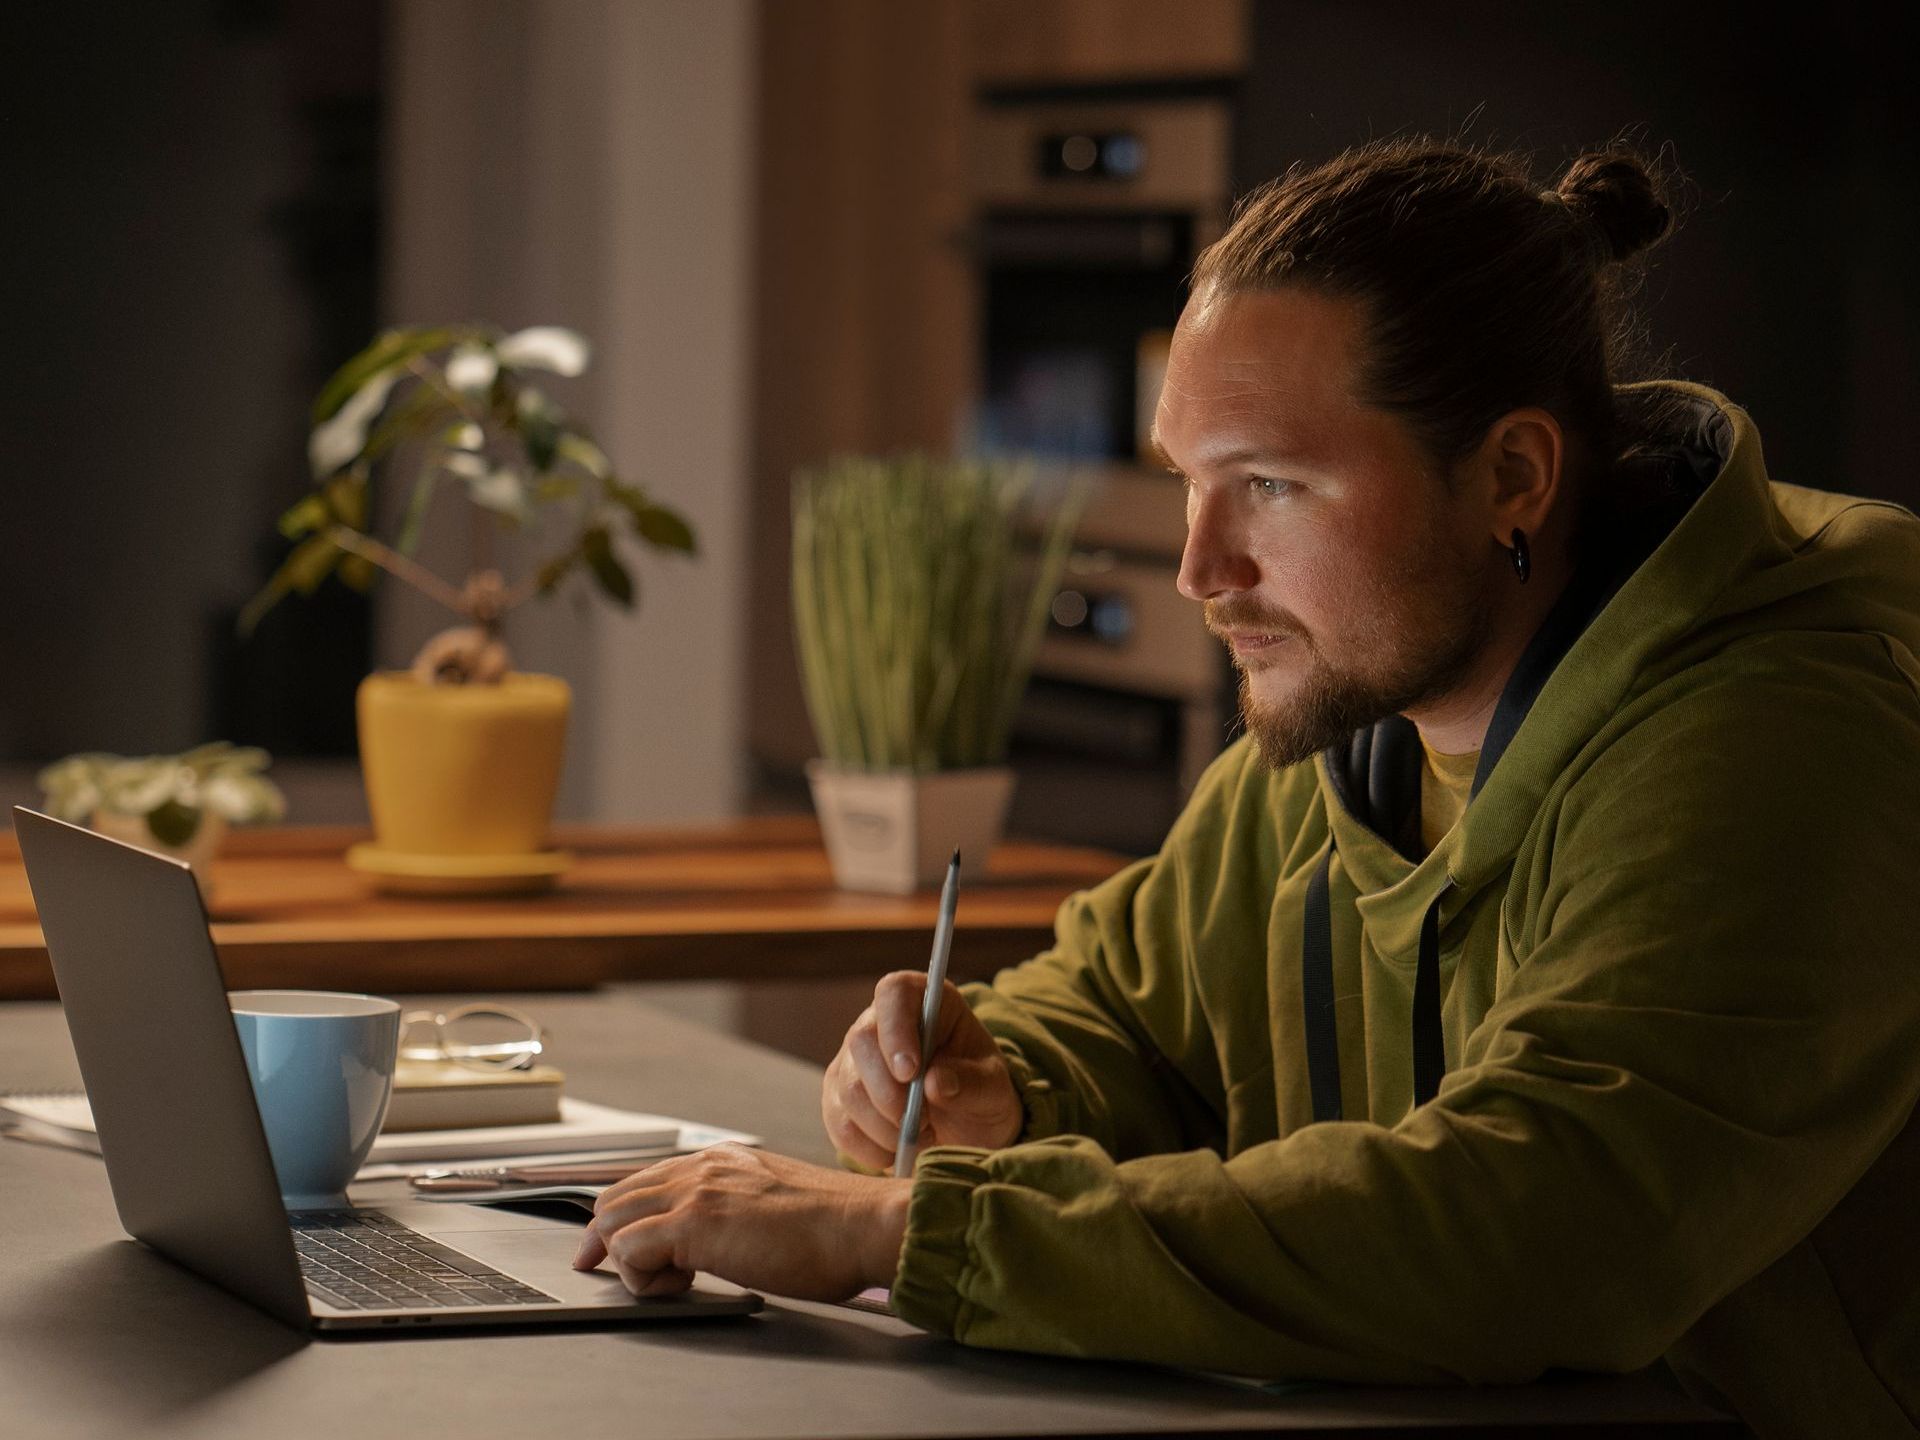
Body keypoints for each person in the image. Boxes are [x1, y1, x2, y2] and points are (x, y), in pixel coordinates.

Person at [572, 136, 1920, 1439]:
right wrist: (1008, 1082)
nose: (1200, 569)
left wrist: (908, 1228)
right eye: (1190, 484)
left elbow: (1545, 1222)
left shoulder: (1790, 736)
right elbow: (1125, 1004)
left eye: (1273, 485)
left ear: (1513, 475)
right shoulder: (1354, 721)